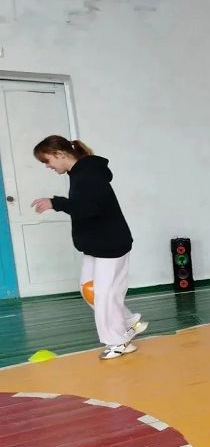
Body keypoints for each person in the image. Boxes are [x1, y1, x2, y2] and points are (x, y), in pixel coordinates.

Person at [31, 135, 147, 360]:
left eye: (47, 161)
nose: (47, 166)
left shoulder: (89, 173)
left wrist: (56, 203)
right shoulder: (79, 173)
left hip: (110, 244)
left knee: (104, 295)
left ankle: (118, 342)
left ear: (59, 154)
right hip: (97, 245)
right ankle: (128, 322)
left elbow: (89, 208)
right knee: (90, 290)